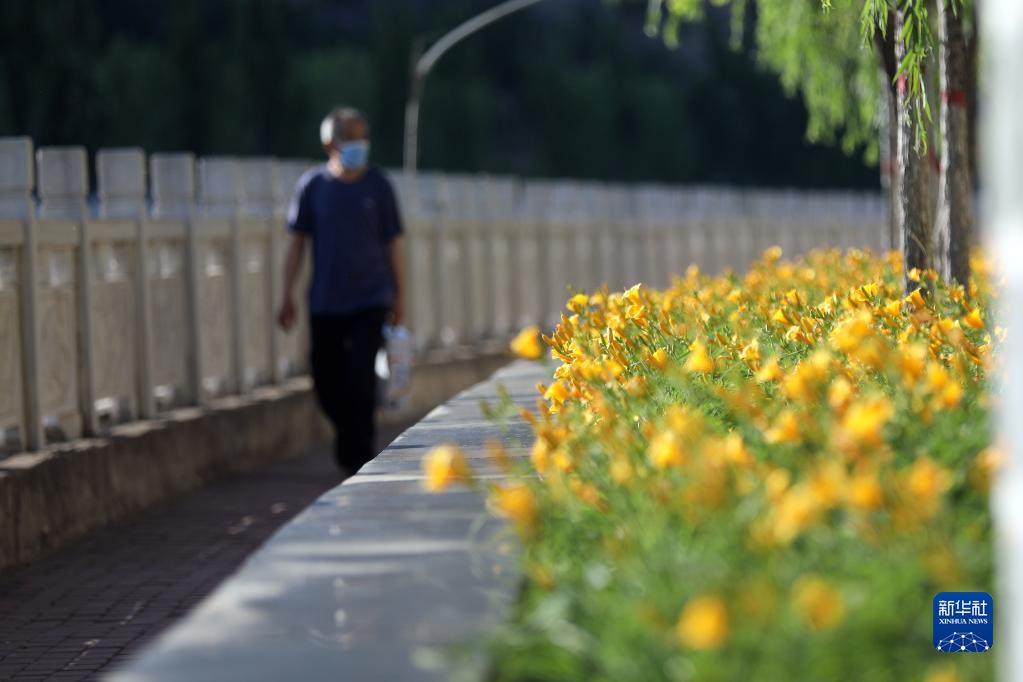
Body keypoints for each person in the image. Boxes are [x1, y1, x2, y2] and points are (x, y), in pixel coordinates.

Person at [277, 106, 405, 476]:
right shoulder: (313, 187)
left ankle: (359, 456)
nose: (360, 144)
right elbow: (296, 244)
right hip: (326, 300)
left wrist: (400, 297)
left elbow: (394, 245)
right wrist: (286, 294)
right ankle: (351, 438)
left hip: (371, 298)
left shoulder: (379, 186)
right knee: (326, 380)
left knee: (361, 377)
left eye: (364, 136)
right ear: (330, 143)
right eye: (351, 137)